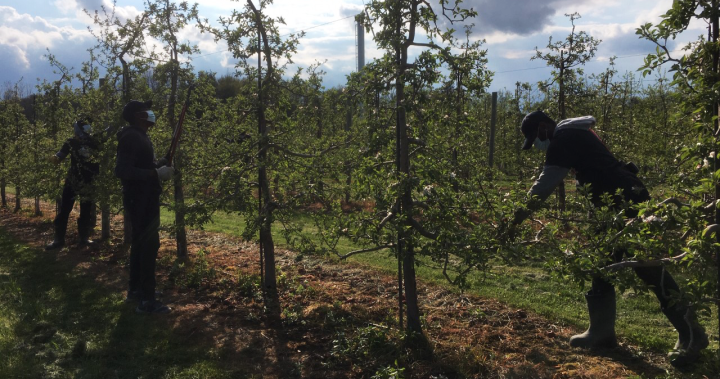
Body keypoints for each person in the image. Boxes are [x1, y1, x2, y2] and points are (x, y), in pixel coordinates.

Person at [511, 110, 708, 368]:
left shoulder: (563, 138)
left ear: (544, 127)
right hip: (615, 204)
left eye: (536, 137)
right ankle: (601, 333)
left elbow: (546, 183)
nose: (538, 144)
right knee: (601, 263)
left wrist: (517, 215)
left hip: (626, 203)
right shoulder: (574, 133)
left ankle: (692, 334)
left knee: (645, 266)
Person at [115, 100, 174, 314]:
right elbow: (122, 170)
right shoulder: (132, 136)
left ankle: (136, 290)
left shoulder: (138, 136)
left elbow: (140, 165)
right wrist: (155, 174)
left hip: (142, 198)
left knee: (141, 244)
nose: (151, 113)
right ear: (139, 116)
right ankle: (147, 301)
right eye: (147, 111)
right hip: (140, 200)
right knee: (149, 245)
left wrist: (159, 164)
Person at [46, 118, 99, 250]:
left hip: (88, 181)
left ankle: (84, 238)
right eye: (85, 127)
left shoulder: (94, 142)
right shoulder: (71, 142)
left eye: (88, 127)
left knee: (86, 209)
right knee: (65, 209)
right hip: (73, 180)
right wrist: (54, 158)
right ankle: (58, 239)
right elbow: (60, 155)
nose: (87, 130)